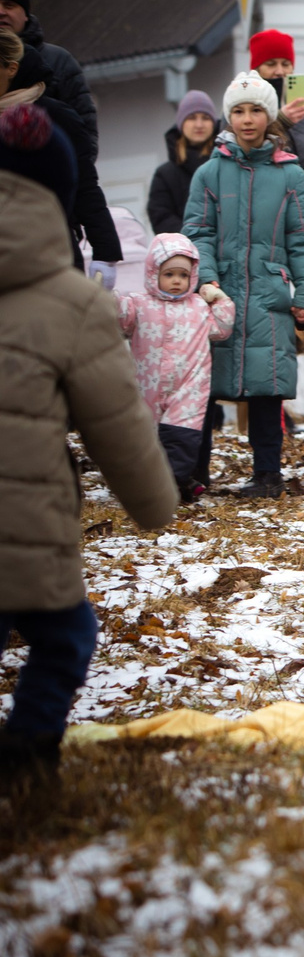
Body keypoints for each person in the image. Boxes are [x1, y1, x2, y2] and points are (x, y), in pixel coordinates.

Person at [0, 104, 178, 785]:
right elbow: (118, 423)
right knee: (64, 635)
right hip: (26, 518)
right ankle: (28, 747)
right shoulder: (71, 303)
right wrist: (155, 503)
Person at [183, 73, 304, 498]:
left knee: (269, 384)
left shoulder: (290, 175)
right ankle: (194, 473)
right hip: (219, 294)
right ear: (229, 117)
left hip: (268, 293)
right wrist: (205, 280)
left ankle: (267, 474)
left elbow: (303, 238)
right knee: (204, 385)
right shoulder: (209, 173)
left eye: (256, 110)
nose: (248, 119)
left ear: (269, 115)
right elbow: (197, 233)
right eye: (239, 111)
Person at [0, 0, 119, 279]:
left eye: (8, 5)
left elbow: (81, 156)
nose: (1, 12)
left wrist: (103, 250)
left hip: (52, 222)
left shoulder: (56, 63)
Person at [119, 232, 235, 502]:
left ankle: (173, 485)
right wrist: (111, 295)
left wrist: (219, 298)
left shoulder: (197, 306)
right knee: (145, 439)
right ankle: (150, 485)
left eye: (183, 275)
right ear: (153, 273)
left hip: (188, 386)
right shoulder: (139, 303)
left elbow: (222, 329)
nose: (176, 281)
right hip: (147, 384)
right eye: (169, 274)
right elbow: (120, 320)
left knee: (182, 437)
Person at [247, 29, 304, 226]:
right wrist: (281, 121)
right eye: (271, 64)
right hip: (265, 217)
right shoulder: (241, 103)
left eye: (286, 64)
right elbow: (239, 149)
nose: (280, 71)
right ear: (256, 68)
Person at [148, 91, 223, 235]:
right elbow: (161, 217)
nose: (199, 124)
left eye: (206, 118)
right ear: (181, 124)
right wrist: (193, 236)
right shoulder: (165, 175)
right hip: (185, 250)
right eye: (192, 118)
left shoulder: (227, 163)